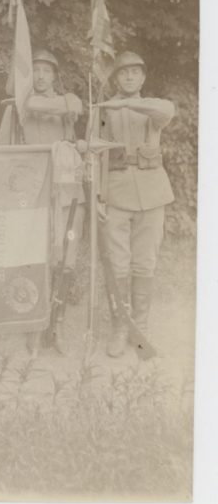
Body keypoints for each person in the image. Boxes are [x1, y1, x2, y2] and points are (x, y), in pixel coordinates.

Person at [0, 49, 85, 354]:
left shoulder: (68, 100)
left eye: (48, 70)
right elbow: (2, 153)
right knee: (34, 256)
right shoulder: (15, 109)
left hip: (66, 193)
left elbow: (75, 106)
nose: (42, 75)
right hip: (30, 193)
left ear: (55, 75)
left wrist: (45, 104)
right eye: (36, 70)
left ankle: (55, 326)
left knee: (65, 257)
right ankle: (33, 324)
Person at [97, 51, 175, 357]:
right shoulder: (104, 110)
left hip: (153, 193)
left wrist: (125, 102)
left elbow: (167, 111)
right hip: (116, 193)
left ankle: (140, 327)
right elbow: (97, 154)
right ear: (115, 78)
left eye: (134, 72)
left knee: (145, 262)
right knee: (118, 263)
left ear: (142, 77)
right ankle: (121, 326)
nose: (129, 77)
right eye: (123, 73)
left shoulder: (153, 107)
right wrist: (100, 197)